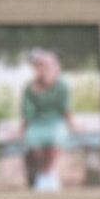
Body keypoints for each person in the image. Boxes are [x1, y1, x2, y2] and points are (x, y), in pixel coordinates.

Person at [19, 49, 75, 191]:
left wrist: (72, 124)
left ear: (55, 68)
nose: (43, 70)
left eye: (47, 66)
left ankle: (48, 173)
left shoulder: (62, 85)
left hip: (56, 121)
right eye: (39, 66)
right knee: (32, 140)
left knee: (55, 139)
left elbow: (65, 109)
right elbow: (27, 113)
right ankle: (43, 173)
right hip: (37, 122)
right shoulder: (29, 87)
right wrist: (22, 128)